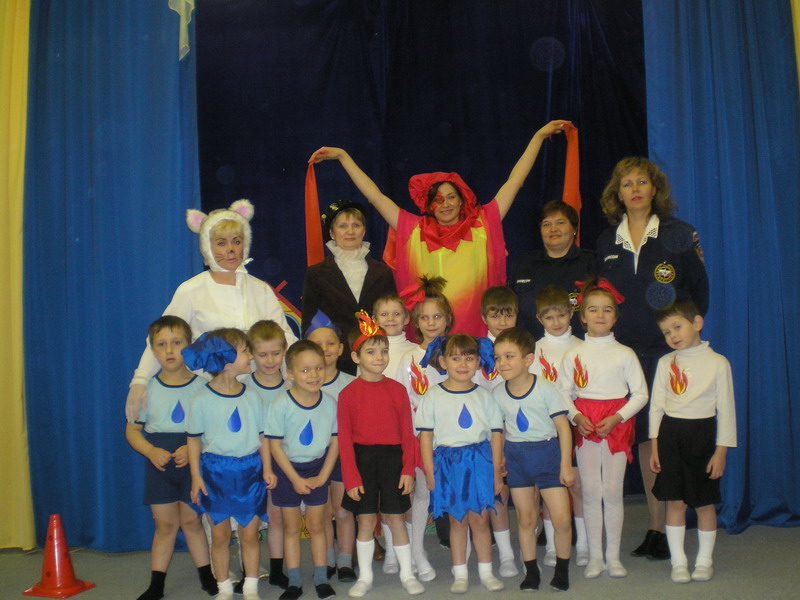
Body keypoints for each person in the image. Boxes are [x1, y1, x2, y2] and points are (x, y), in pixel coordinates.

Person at [308, 120, 570, 337]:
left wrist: (537, 137)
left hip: (476, 339)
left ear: (462, 199)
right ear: (429, 205)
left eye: (451, 197)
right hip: (429, 339)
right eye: (438, 200)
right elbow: (375, 197)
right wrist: (344, 157)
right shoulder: (413, 229)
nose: (446, 204)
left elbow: (515, 181)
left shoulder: (483, 224)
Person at [596, 157, 709, 559]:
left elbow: (698, 292)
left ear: (655, 188)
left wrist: (684, 340)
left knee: (675, 436)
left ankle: (681, 520)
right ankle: (656, 527)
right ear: (618, 193)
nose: (635, 189)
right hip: (628, 356)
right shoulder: (607, 242)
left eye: (642, 182)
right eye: (627, 184)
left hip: (671, 354)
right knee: (647, 440)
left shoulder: (679, 233)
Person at [126, 200, 296, 422]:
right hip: (210, 394)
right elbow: (162, 337)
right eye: (221, 243)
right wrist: (140, 381)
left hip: (259, 393)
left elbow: (284, 336)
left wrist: (292, 373)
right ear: (208, 246)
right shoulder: (191, 290)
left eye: (237, 241)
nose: (231, 249)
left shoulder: (260, 289)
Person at [559, 277, 648, 580]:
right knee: (590, 490)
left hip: (615, 425)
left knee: (612, 490)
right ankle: (595, 557)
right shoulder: (574, 354)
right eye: (593, 309)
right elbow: (563, 393)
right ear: (582, 316)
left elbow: (641, 394)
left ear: (616, 316)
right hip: (586, 424)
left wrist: (618, 417)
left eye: (607, 310)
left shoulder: (625, 354)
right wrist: (575, 417)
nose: (600, 315)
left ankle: (613, 556)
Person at [125, 316, 217, 600]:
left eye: (176, 343)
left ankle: (207, 577)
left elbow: (214, 429)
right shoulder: (145, 391)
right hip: (160, 465)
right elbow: (132, 431)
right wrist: (150, 450)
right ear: (153, 350)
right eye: (161, 344)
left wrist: (194, 449)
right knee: (165, 526)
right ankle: (156, 585)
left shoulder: (203, 386)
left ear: (189, 346)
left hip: (192, 465)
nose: (169, 350)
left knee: (192, 522)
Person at [184, 328, 275, 600]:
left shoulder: (253, 397)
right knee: (221, 535)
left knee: (250, 535)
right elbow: (193, 441)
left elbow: (262, 437)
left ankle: (250, 587)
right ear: (225, 359)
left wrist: (267, 469)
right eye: (245, 351)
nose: (251, 356)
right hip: (215, 473)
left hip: (250, 472)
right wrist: (196, 477)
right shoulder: (201, 399)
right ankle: (223, 587)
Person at [649, 300, 736, 584]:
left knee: (704, 503)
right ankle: (678, 562)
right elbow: (656, 407)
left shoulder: (718, 363)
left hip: (703, 436)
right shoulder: (665, 363)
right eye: (666, 332)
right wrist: (655, 445)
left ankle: (704, 561)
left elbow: (726, 411)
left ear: (697, 323)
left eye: (677, 327)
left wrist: (721, 452)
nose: (672, 335)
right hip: (671, 436)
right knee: (675, 502)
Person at [337, 313, 423, 598]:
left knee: (396, 519)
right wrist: (351, 478)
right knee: (365, 521)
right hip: (362, 461)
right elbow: (345, 441)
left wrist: (408, 469)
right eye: (371, 352)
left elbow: (407, 434)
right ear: (355, 357)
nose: (380, 357)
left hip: (392, 461)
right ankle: (365, 577)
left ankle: (407, 573)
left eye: (384, 351)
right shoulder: (348, 394)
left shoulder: (397, 390)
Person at [415, 334, 505, 593]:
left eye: (469, 358)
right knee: (457, 521)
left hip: (480, 461)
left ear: (478, 362)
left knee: (480, 519)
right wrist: (430, 472)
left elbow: (496, 434)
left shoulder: (484, 396)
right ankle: (460, 574)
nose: (463, 364)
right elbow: (426, 437)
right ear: (443, 362)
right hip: (448, 464)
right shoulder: (433, 396)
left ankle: (486, 573)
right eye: (455, 358)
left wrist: (496, 471)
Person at [492, 328, 575, 591]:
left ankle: (561, 569)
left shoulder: (546, 388)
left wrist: (565, 465)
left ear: (528, 359)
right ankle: (531, 571)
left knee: (562, 518)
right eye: (497, 358)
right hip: (517, 459)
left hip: (548, 456)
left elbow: (563, 428)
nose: (502, 363)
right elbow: (499, 432)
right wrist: (499, 463)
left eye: (509, 356)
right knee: (526, 519)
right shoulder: (497, 393)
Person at [264, 340, 340, 600]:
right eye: (305, 370)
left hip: (318, 468)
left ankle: (321, 578)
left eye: (318, 368)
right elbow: (274, 445)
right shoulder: (280, 405)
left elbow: (335, 442)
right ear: (291, 373)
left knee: (318, 525)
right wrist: (295, 478)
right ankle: (294, 581)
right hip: (287, 470)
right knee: (292, 527)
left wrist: (323, 476)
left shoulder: (329, 403)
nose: (314, 375)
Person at [394, 277, 454, 581]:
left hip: (454, 437)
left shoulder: (456, 352)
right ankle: (417, 551)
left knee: (453, 492)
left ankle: (461, 551)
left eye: (437, 316)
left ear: (448, 319)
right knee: (422, 495)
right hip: (421, 438)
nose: (431, 323)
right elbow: (403, 402)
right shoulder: (409, 359)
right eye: (425, 317)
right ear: (416, 322)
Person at [302, 202, 397, 375]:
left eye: (356, 225)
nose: (350, 231)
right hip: (335, 358)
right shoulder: (316, 273)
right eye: (343, 226)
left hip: (376, 355)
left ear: (364, 231)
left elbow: (393, 313)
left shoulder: (382, 272)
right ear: (332, 233)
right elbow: (309, 320)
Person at [530, 285, 588, 567]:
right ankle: (553, 546)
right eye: (549, 317)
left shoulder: (581, 347)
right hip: (544, 428)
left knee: (577, 486)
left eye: (561, 316)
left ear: (571, 313)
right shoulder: (534, 350)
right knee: (549, 487)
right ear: (539, 318)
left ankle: (584, 544)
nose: (556, 322)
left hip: (575, 423)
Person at [306, 315, 358, 583]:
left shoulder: (351, 383)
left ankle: (345, 560)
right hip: (315, 457)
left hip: (344, 456)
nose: (324, 349)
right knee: (323, 511)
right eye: (317, 344)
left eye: (330, 343)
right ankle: (326, 559)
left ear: (340, 349)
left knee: (343, 510)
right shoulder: (301, 385)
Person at [472, 286, 519, 578]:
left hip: (517, 432)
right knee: (491, 494)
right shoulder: (475, 351)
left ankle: (516, 551)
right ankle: (497, 553)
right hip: (484, 435)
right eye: (495, 315)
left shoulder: (525, 347)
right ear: (483, 317)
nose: (502, 322)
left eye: (508, 315)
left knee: (514, 493)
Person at [246, 320, 292, 590]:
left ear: (285, 350)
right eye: (262, 355)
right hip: (248, 461)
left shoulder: (290, 386)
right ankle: (248, 569)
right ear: (251, 354)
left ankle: (276, 569)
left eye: (276, 353)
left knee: (276, 516)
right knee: (249, 520)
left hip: (279, 459)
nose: (270, 360)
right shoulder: (243, 385)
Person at [509, 200, 596, 338]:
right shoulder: (522, 264)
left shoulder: (592, 263)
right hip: (530, 348)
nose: (553, 229)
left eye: (560, 222)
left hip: (580, 347)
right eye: (546, 224)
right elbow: (509, 311)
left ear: (574, 229)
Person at [372, 292, 416, 384]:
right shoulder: (367, 352)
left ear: (406, 318)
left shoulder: (416, 351)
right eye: (384, 314)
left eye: (396, 314)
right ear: (375, 320)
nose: (390, 318)